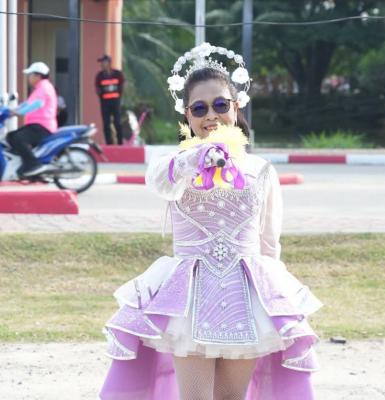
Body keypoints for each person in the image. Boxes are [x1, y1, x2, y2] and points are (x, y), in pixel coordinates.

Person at [100, 43, 322, 400]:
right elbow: (159, 182)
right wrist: (194, 159)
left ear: (236, 107)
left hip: (246, 297)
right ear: (187, 116)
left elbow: (269, 244)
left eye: (220, 104)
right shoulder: (176, 166)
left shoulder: (262, 170)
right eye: (199, 108)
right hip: (188, 299)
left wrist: (273, 298)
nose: (211, 116)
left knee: (232, 397)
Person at [7, 61, 57, 176]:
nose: (29, 78)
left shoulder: (44, 88)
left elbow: (35, 105)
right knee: (11, 136)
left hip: (42, 127)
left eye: (30, 75)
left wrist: (16, 113)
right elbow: (27, 103)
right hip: (37, 125)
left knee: (17, 138)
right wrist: (13, 110)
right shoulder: (40, 88)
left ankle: (33, 165)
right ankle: (23, 164)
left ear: (38, 76)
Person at [95, 54, 124, 145]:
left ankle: (120, 143)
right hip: (105, 103)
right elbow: (98, 89)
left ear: (108, 63)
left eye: (103, 62)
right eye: (101, 63)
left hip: (115, 102)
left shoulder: (118, 74)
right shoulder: (99, 76)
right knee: (106, 124)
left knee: (117, 122)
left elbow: (121, 87)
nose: (101, 64)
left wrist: (117, 97)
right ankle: (109, 143)